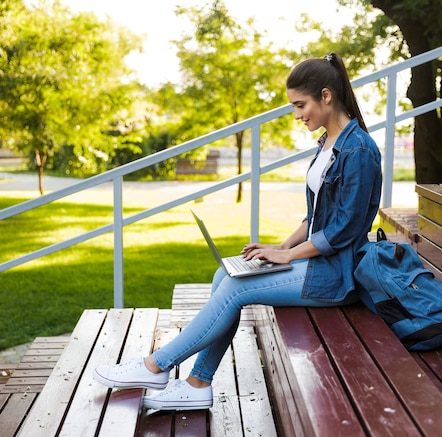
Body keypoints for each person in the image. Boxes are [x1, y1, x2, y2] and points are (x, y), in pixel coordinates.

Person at [93, 52, 382, 411]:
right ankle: (198, 383)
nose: (296, 115)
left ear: (326, 96)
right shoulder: (327, 145)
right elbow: (316, 217)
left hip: (337, 275)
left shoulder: (360, 151)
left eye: (300, 104)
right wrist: (279, 246)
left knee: (233, 289)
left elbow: (343, 229)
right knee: (224, 275)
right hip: (318, 262)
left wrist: (288, 256)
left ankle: (155, 366)